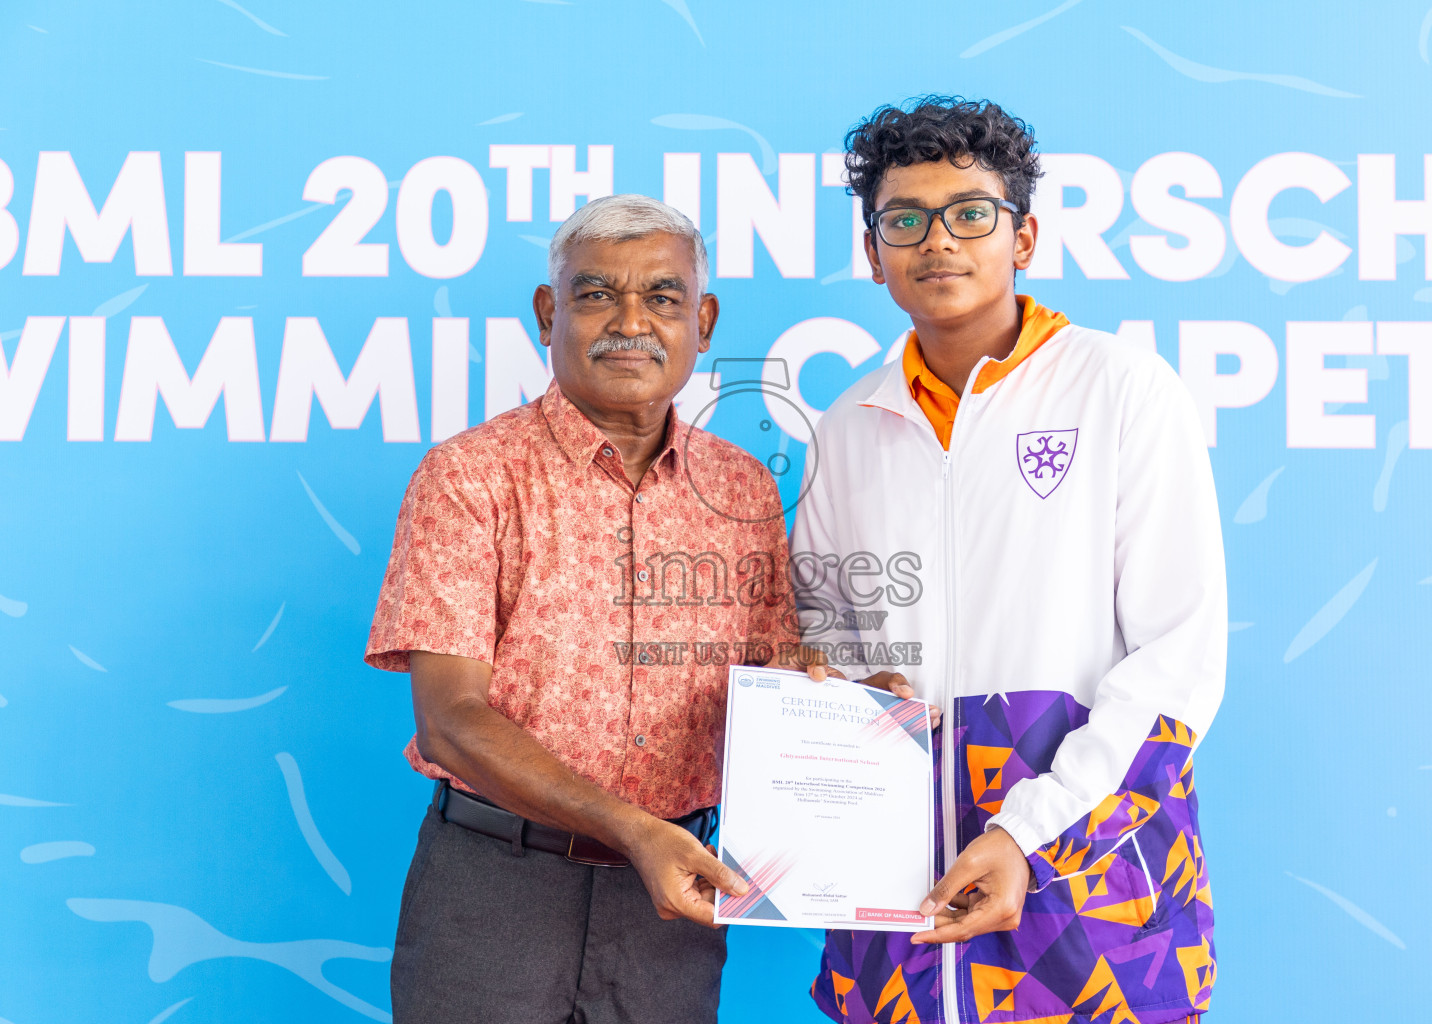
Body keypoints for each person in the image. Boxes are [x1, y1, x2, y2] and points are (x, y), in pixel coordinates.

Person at [792, 97, 1226, 1024]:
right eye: (903, 219)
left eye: (969, 214)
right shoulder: (847, 428)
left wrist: (1026, 836)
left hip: (1091, 890)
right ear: (873, 256)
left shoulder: (1122, 389)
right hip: (898, 896)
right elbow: (824, 646)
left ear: (1021, 236)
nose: (937, 240)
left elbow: (1177, 664)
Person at [365, 193, 813, 1024]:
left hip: (670, 910)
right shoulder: (469, 477)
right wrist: (630, 828)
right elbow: (450, 721)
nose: (630, 320)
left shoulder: (744, 488)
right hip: (494, 889)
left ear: (704, 321)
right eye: (597, 293)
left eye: (663, 296)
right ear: (549, 310)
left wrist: (855, 718)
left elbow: (774, 691)